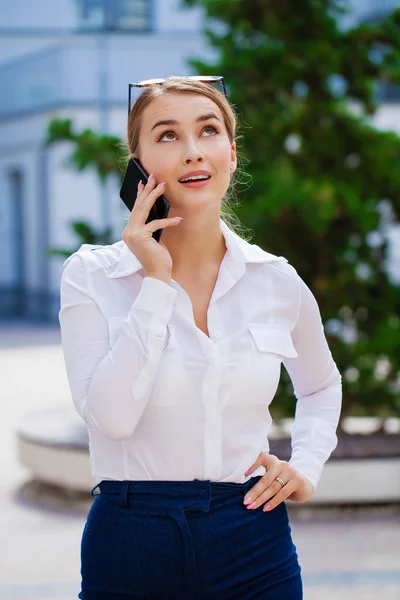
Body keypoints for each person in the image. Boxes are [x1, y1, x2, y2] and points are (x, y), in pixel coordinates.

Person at [59, 75, 342, 600]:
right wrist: (156, 283)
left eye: (208, 131)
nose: (192, 151)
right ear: (137, 166)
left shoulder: (275, 280)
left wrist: (305, 466)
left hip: (253, 536)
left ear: (231, 156)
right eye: (167, 136)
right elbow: (111, 418)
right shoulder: (92, 276)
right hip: (131, 540)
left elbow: (322, 386)